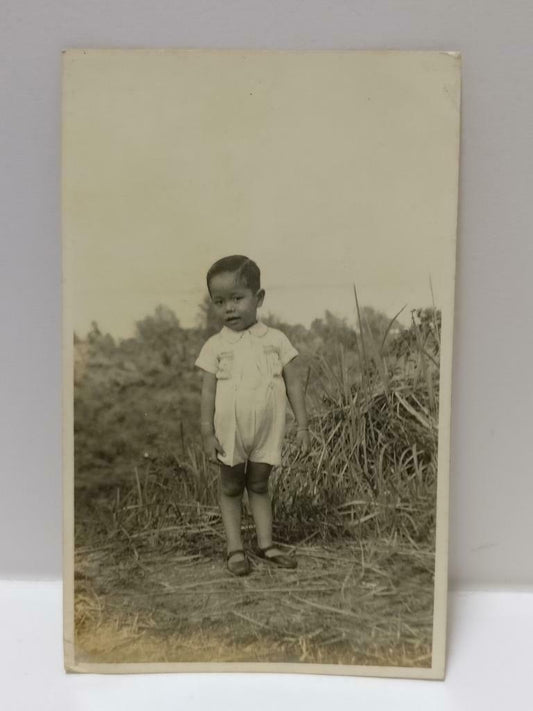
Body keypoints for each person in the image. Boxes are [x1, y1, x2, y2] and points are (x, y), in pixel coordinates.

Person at [195, 255, 311, 576]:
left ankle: (266, 543)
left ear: (258, 299)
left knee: (259, 485)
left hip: (267, 430)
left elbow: (294, 383)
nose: (229, 308)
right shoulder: (215, 346)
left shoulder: (276, 340)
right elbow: (207, 393)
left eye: (237, 298)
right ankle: (235, 549)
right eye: (220, 301)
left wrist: (302, 425)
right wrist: (207, 433)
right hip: (230, 433)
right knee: (231, 487)